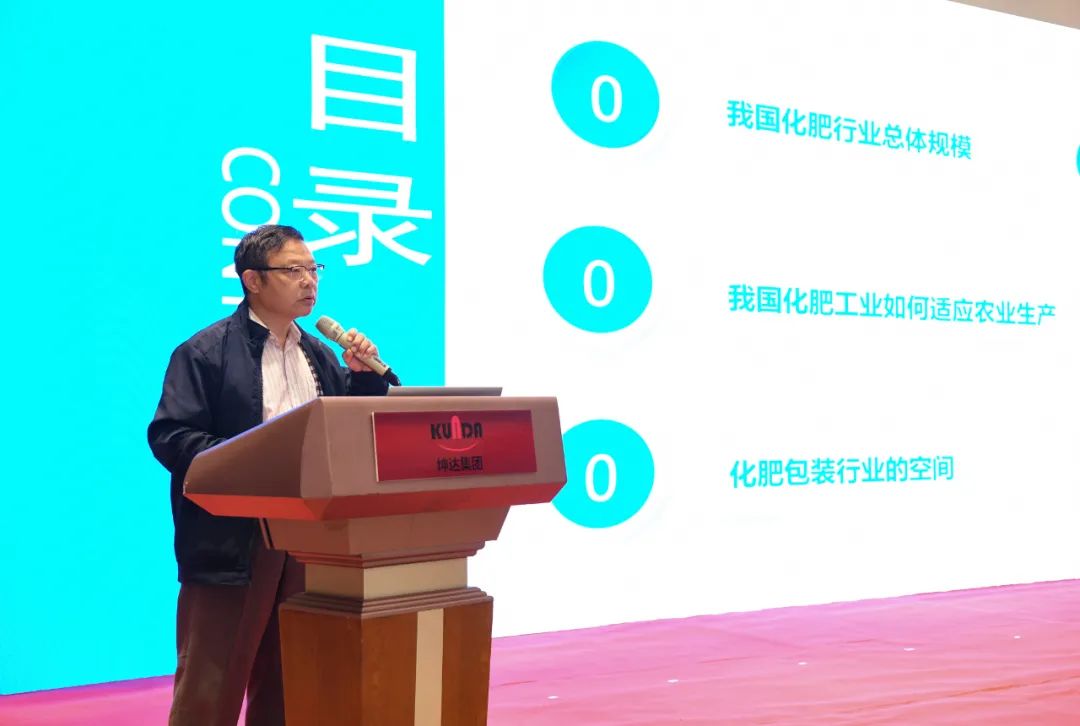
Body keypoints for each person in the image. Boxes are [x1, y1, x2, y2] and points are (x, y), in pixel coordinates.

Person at [148, 224, 389, 725]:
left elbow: (346, 433)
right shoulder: (205, 352)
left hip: (310, 542)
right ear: (253, 280)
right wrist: (253, 464)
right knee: (210, 688)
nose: (309, 280)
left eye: (313, 269)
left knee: (290, 684)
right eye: (293, 270)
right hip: (233, 543)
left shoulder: (319, 354)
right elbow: (172, 435)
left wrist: (366, 380)